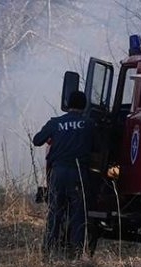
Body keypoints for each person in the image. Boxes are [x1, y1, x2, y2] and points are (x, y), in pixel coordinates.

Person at [32, 91, 95, 257]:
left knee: (55, 211)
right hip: (78, 173)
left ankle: (48, 250)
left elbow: (37, 140)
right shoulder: (89, 124)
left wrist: (53, 139)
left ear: (67, 104)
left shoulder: (56, 123)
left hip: (58, 173)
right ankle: (76, 252)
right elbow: (99, 147)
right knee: (78, 213)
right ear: (84, 106)